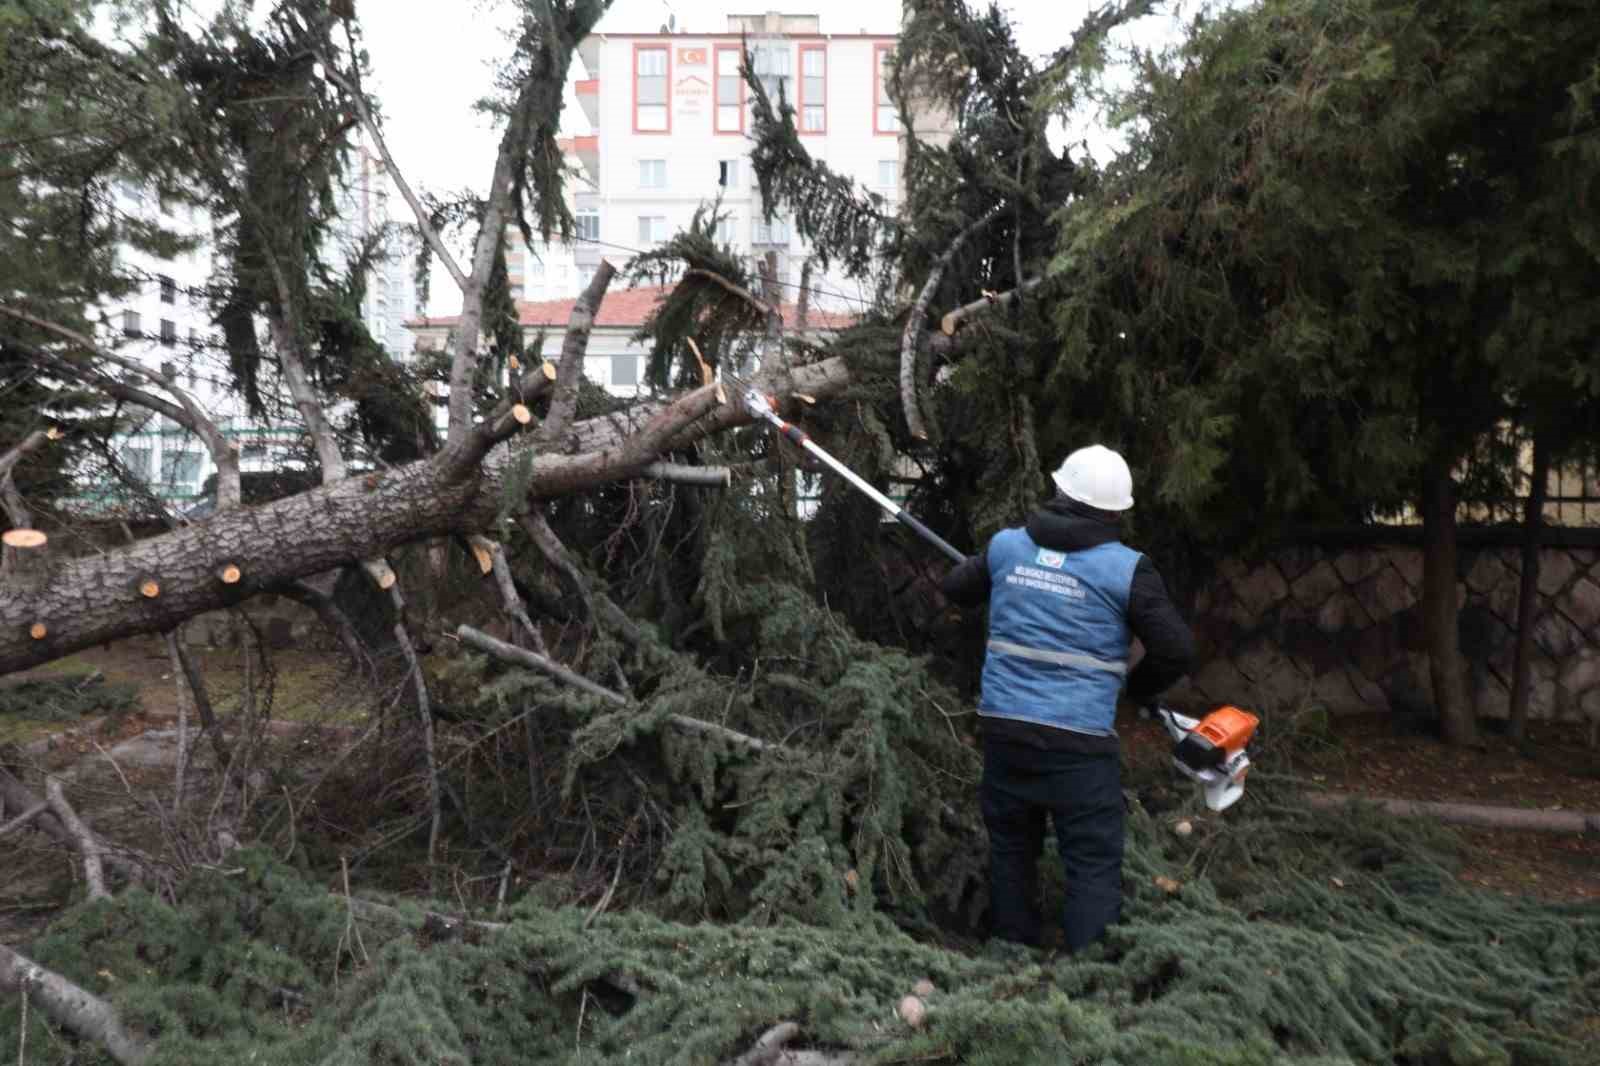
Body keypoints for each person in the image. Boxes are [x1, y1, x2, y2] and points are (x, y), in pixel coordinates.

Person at [940, 444, 1195, 951]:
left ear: (1059, 491)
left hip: (1005, 730)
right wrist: (1137, 689)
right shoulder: (1127, 569)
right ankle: (1090, 970)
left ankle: (1011, 953)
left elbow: (956, 588)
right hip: (1078, 743)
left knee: (1011, 847)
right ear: (1116, 512)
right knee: (1092, 859)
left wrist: (1000, 574)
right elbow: (1176, 650)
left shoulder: (1006, 547)